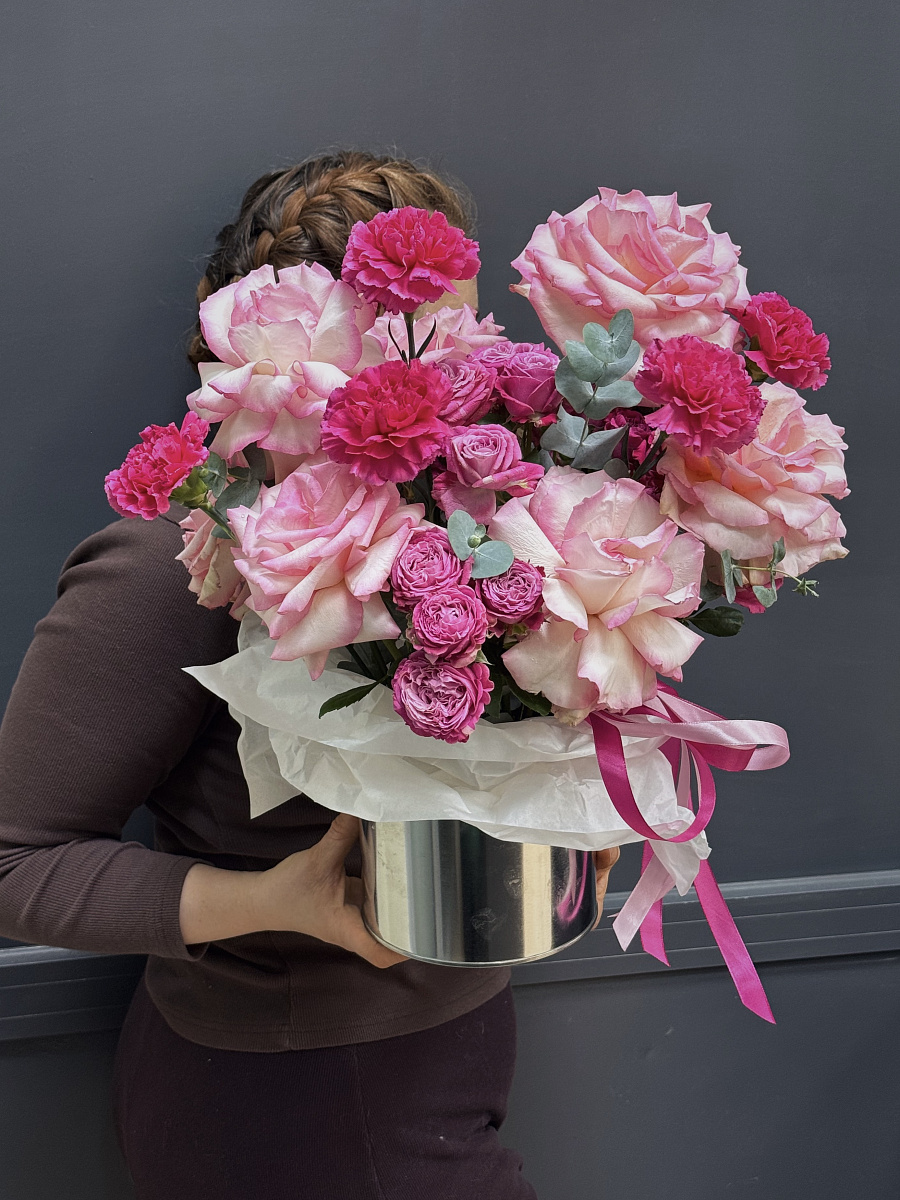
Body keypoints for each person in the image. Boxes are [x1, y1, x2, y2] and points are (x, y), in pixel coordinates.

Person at [0, 149, 619, 1200]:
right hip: (290, 1095)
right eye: (416, 341)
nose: (456, 369)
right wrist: (272, 901)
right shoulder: (174, 565)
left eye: (466, 329)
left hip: (445, 1047)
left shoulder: (485, 520)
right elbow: (14, 863)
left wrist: (565, 822)